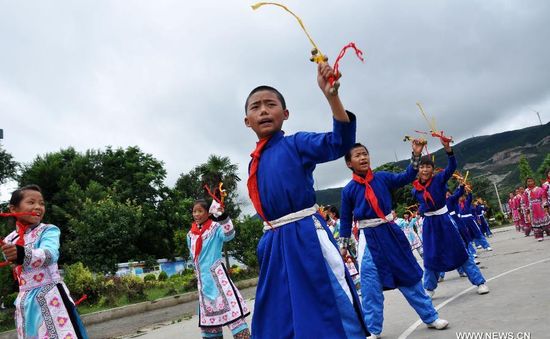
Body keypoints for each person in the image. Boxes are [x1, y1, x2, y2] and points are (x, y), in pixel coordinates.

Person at [244, 63, 368, 338]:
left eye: (270, 104)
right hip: (273, 241)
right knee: (276, 315)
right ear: (247, 120)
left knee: (331, 303)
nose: (263, 110)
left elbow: (340, 141)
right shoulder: (254, 161)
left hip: (305, 235)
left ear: (285, 114)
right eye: (255, 107)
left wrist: (331, 97)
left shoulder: (296, 144)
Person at [340, 141, 448, 338]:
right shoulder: (348, 190)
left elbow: (406, 176)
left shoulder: (382, 178)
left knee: (409, 277)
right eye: (357, 155)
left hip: (390, 233)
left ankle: (431, 317)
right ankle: (373, 330)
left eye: (365, 153)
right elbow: (346, 220)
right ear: (349, 163)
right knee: (370, 285)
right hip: (368, 239)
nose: (363, 157)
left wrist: (415, 155)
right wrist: (344, 247)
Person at [0, 185, 88, 339]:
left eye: (41, 203)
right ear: (13, 209)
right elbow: (14, 265)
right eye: (31, 202)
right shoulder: (9, 239)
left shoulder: (48, 230)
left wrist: (21, 253)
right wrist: (14, 255)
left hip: (51, 295)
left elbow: (50, 254)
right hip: (24, 300)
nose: (38, 207)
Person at [410, 139, 489, 297]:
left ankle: (479, 282)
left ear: (432, 169)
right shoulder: (415, 189)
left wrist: (448, 150)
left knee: (460, 251)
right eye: (422, 166)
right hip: (429, 225)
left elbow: (451, 167)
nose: (425, 169)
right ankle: (429, 288)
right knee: (431, 256)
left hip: (445, 220)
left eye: (428, 167)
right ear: (418, 169)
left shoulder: (439, 180)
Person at [187, 199, 250, 339]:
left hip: (218, 281)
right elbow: (193, 258)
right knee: (210, 330)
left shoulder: (215, 228)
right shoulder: (190, 235)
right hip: (203, 286)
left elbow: (229, 235)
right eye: (194, 211)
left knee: (235, 320)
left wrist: (222, 216)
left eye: (200, 211)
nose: (196, 214)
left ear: (207, 213)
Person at [524, 178, 550, 242]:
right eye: (528, 182)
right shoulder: (526, 191)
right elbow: (526, 201)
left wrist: (545, 206)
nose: (529, 182)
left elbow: (543, 197)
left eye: (531, 181)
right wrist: (527, 209)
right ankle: (539, 236)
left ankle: (548, 231)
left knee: (545, 220)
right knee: (535, 222)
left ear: (534, 182)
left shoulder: (539, 189)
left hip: (540, 206)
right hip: (532, 208)